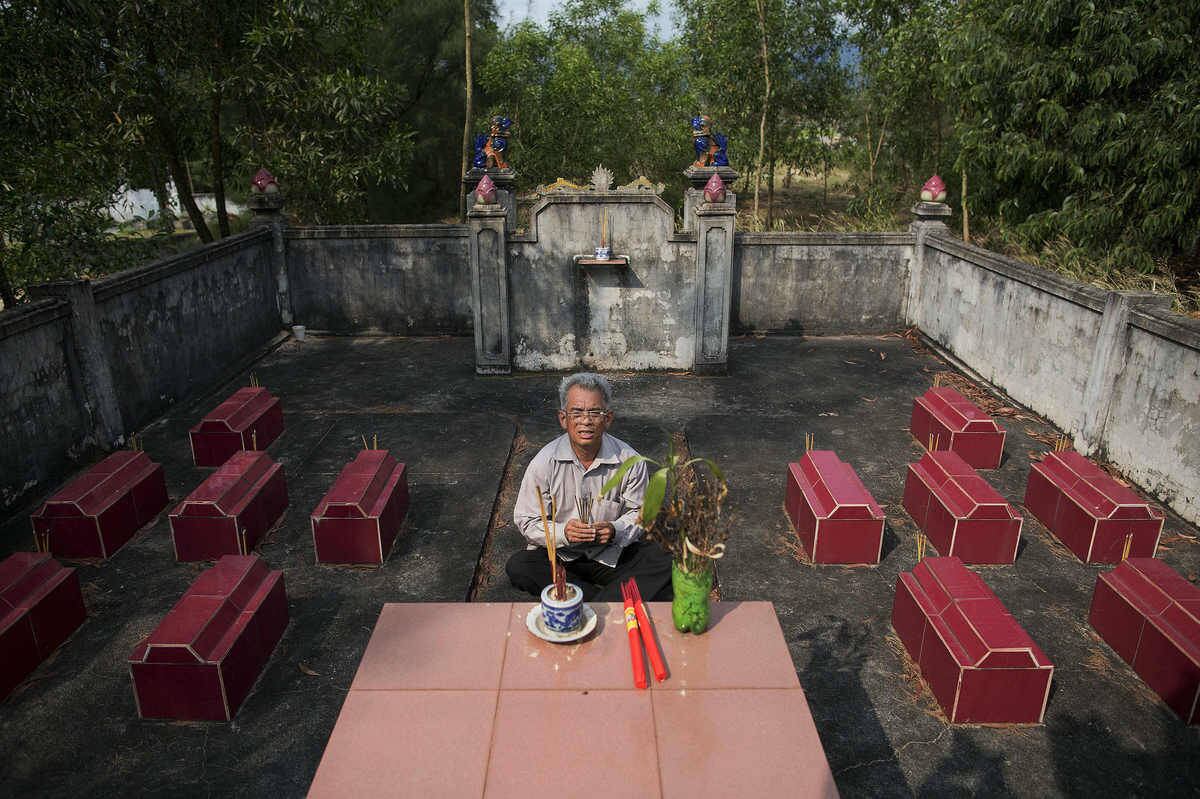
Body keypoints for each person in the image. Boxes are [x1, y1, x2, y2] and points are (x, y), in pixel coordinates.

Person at [506, 372, 673, 602]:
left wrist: (615, 529)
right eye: (577, 412)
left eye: (595, 412)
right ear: (563, 418)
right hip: (562, 557)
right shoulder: (544, 462)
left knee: (667, 558)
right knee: (520, 566)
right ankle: (611, 601)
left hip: (612, 554)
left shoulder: (629, 460)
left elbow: (641, 516)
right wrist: (563, 532)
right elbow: (526, 521)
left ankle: (582, 600)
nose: (585, 420)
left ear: (608, 418)